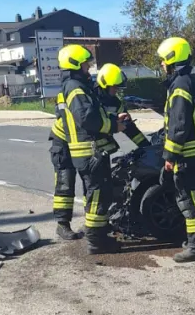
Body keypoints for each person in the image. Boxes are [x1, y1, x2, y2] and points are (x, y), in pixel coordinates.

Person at [49, 43, 121, 251]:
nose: (89, 67)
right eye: (86, 64)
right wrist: (112, 125)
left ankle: (95, 231)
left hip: (75, 142)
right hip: (64, 142)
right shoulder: (75, 87)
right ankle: (64, 225)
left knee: (92, 189)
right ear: (75, 64)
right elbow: (86, 118)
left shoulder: (81, 86)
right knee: (66, 184)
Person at [156, 37, 195, 262]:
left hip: (189, 155)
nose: (162, 65)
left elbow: (179, 125)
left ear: (172, 59)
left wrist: (170, 156)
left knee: (191, 201)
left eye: (163, 60)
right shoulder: (189, 82)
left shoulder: (180, 85)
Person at [95, 63, 149, 153]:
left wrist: (147, 148)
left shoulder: (115, 102)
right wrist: (114, 119)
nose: (117, 90)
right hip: (86, 151)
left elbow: (129, 127)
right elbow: (92, 120)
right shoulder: (90, 98)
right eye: (115, 87)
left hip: (102, 153)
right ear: (105, 84)